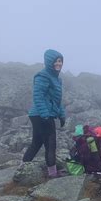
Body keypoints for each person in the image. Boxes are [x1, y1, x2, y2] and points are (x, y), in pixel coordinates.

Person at [23, 49, 66, 177]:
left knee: (36, 143)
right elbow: (38, 97)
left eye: (60, 61)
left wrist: (61, 114)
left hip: (41, 114)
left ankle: (22, 168)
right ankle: (52, 174)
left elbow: (56, 100)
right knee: (51, 143)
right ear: (49, 62)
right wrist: (45, 115)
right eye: (56, 61)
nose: (59, 64)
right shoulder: (43, 76)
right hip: (40, 115)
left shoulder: (56, 79)